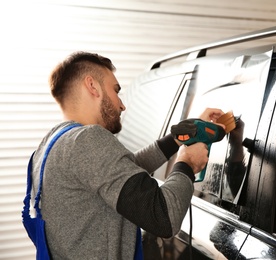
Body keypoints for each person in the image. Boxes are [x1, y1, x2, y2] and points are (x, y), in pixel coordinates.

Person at [27, 51, 225, 259]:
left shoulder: (50, 144)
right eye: (116, 90)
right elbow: (163, 218)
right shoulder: (88, 140)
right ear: (92, 86)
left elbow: (122, 172)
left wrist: (177, 139)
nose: (122, 105)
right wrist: (187, 163)